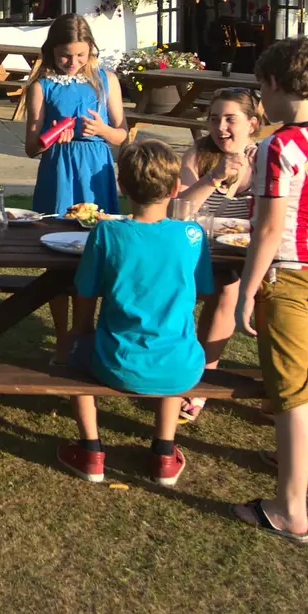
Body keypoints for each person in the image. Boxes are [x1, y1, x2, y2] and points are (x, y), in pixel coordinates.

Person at [233, 37, 308, 545]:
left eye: (262, 89)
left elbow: (266, 229)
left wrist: (246, 290)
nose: (261, 101)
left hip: (288, 276)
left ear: (277, 85)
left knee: (288, 394)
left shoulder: (278, 146)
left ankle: (290, 510)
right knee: (304, 373)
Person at [58, 141, 214, 488]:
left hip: (115, 361)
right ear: (175, 189)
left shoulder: (107, 232)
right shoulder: (191, 235)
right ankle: (164, 451)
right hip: (182, 365)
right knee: (173, 346)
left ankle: (91, 449)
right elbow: (204, 290)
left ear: (121, 186)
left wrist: (79, 334)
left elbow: (85, 293)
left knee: (72, 354)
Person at [23, 13, 128, 361]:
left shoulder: (106, 80)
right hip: (59, 173)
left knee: (96, 252)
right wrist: (50, 139)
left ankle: (84, 330)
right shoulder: (41, 86)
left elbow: (122, 134)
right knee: (57, 253)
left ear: (91, 51)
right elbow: (30, 146)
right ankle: (61, 335)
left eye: (81, 55)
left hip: (96, 173)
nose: (73, 62)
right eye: (65, 55)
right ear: (52, 50)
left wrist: (103, 132)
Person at [173, 88, 264, 423]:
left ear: (252, 124)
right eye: (214, 119)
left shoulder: (265, 156)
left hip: (248, 251)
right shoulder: (198, 153)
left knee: (230, 288)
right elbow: (180, 210)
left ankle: (202, 378)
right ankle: (184, 369)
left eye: (230, 119)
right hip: (200, 247)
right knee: (217, 285)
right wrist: (215, 177)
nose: (221, 127)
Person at [189, 0, 229, 67]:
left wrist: (190, 1)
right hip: (215, 13)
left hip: (203, 13)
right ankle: (215, 60)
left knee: (203, 37)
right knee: (214, 37)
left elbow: (197, 0)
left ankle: (204, 60)